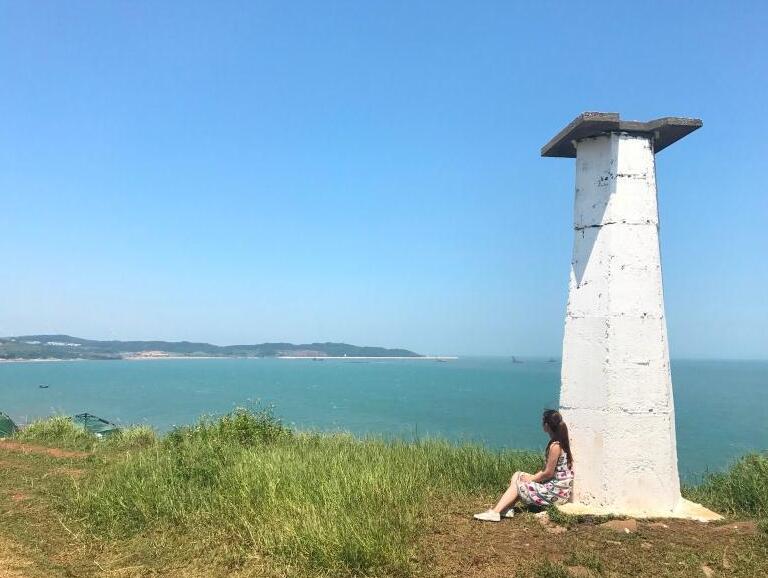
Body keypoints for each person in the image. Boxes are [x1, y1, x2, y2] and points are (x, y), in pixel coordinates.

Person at [474, 409, 574, 522]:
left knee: (518, 485)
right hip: (556, 487)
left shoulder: (555, 446)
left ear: (546, 425)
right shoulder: (559, 442)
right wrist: (532, 478)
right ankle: (508, 508)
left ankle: (495, 512)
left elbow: (548, 473)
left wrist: (532, 478)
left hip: (557, 492)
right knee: (518, 475)